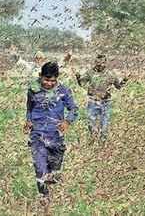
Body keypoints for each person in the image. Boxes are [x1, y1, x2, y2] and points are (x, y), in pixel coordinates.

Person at [24, 61, 78, 202]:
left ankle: (53, 191)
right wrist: (28, 121)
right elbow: (29, 108)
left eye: (53, 81)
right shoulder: (33, 89)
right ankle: (44, 197)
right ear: (40, 76)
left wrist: (67, 121)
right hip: (37, 135)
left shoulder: (63, 91)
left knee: (54, 172)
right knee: (40, 167)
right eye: (46, 80)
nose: (49, 83)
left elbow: (74, 109)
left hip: (56, 136)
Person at [75, 54, 128, 143]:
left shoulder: (111, 74)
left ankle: (102, 144)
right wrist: (78, 78)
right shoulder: (90, 73)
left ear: (105, 63)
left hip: (105, 102)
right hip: (93, 101)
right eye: (97, 62)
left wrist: (124, 81)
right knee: (91, 124)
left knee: (105, 125)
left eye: (102, 63)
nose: (99, 65)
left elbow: (118, 86)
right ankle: (93, 140)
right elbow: (82, 83)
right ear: (95, 62)